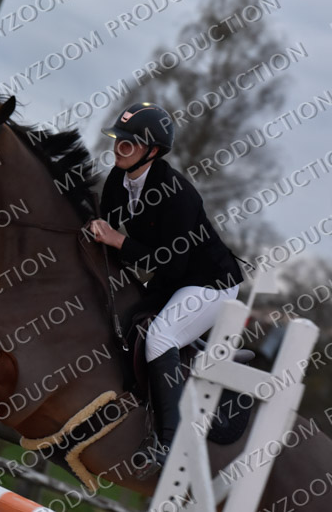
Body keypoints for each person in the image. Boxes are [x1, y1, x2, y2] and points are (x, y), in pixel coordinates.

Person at [90, 102, 245, 477]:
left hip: (210, 283)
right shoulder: (118, 180)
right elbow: (103, 227)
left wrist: (119, 242)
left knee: (160, 336)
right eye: (118, 140)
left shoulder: (177, 193)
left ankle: (168, 444)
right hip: (172, 279)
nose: (119, 148)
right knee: (123, 318)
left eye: (128, 143)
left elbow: (171, 263)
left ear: (152, 150)